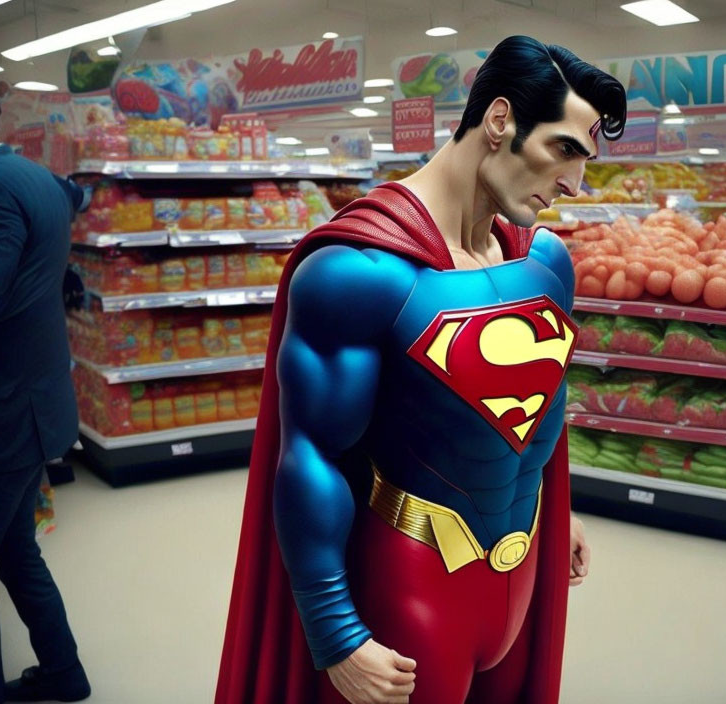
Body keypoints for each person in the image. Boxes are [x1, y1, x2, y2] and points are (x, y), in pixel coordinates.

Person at [216, 36, 626, 704]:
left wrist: (562, 510)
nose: (574, 184)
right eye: (565, 149)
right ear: (499, 122)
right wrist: (336, 632)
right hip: (414, 579)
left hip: (523, 564)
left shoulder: (547, 262)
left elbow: (539, 408)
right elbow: (312, 457)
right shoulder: (359, 273)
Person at [0, 92, 92, 703]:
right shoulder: (39, 179)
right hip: (38, 401)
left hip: (2, 411)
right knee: (17, 552)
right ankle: (65, 674)